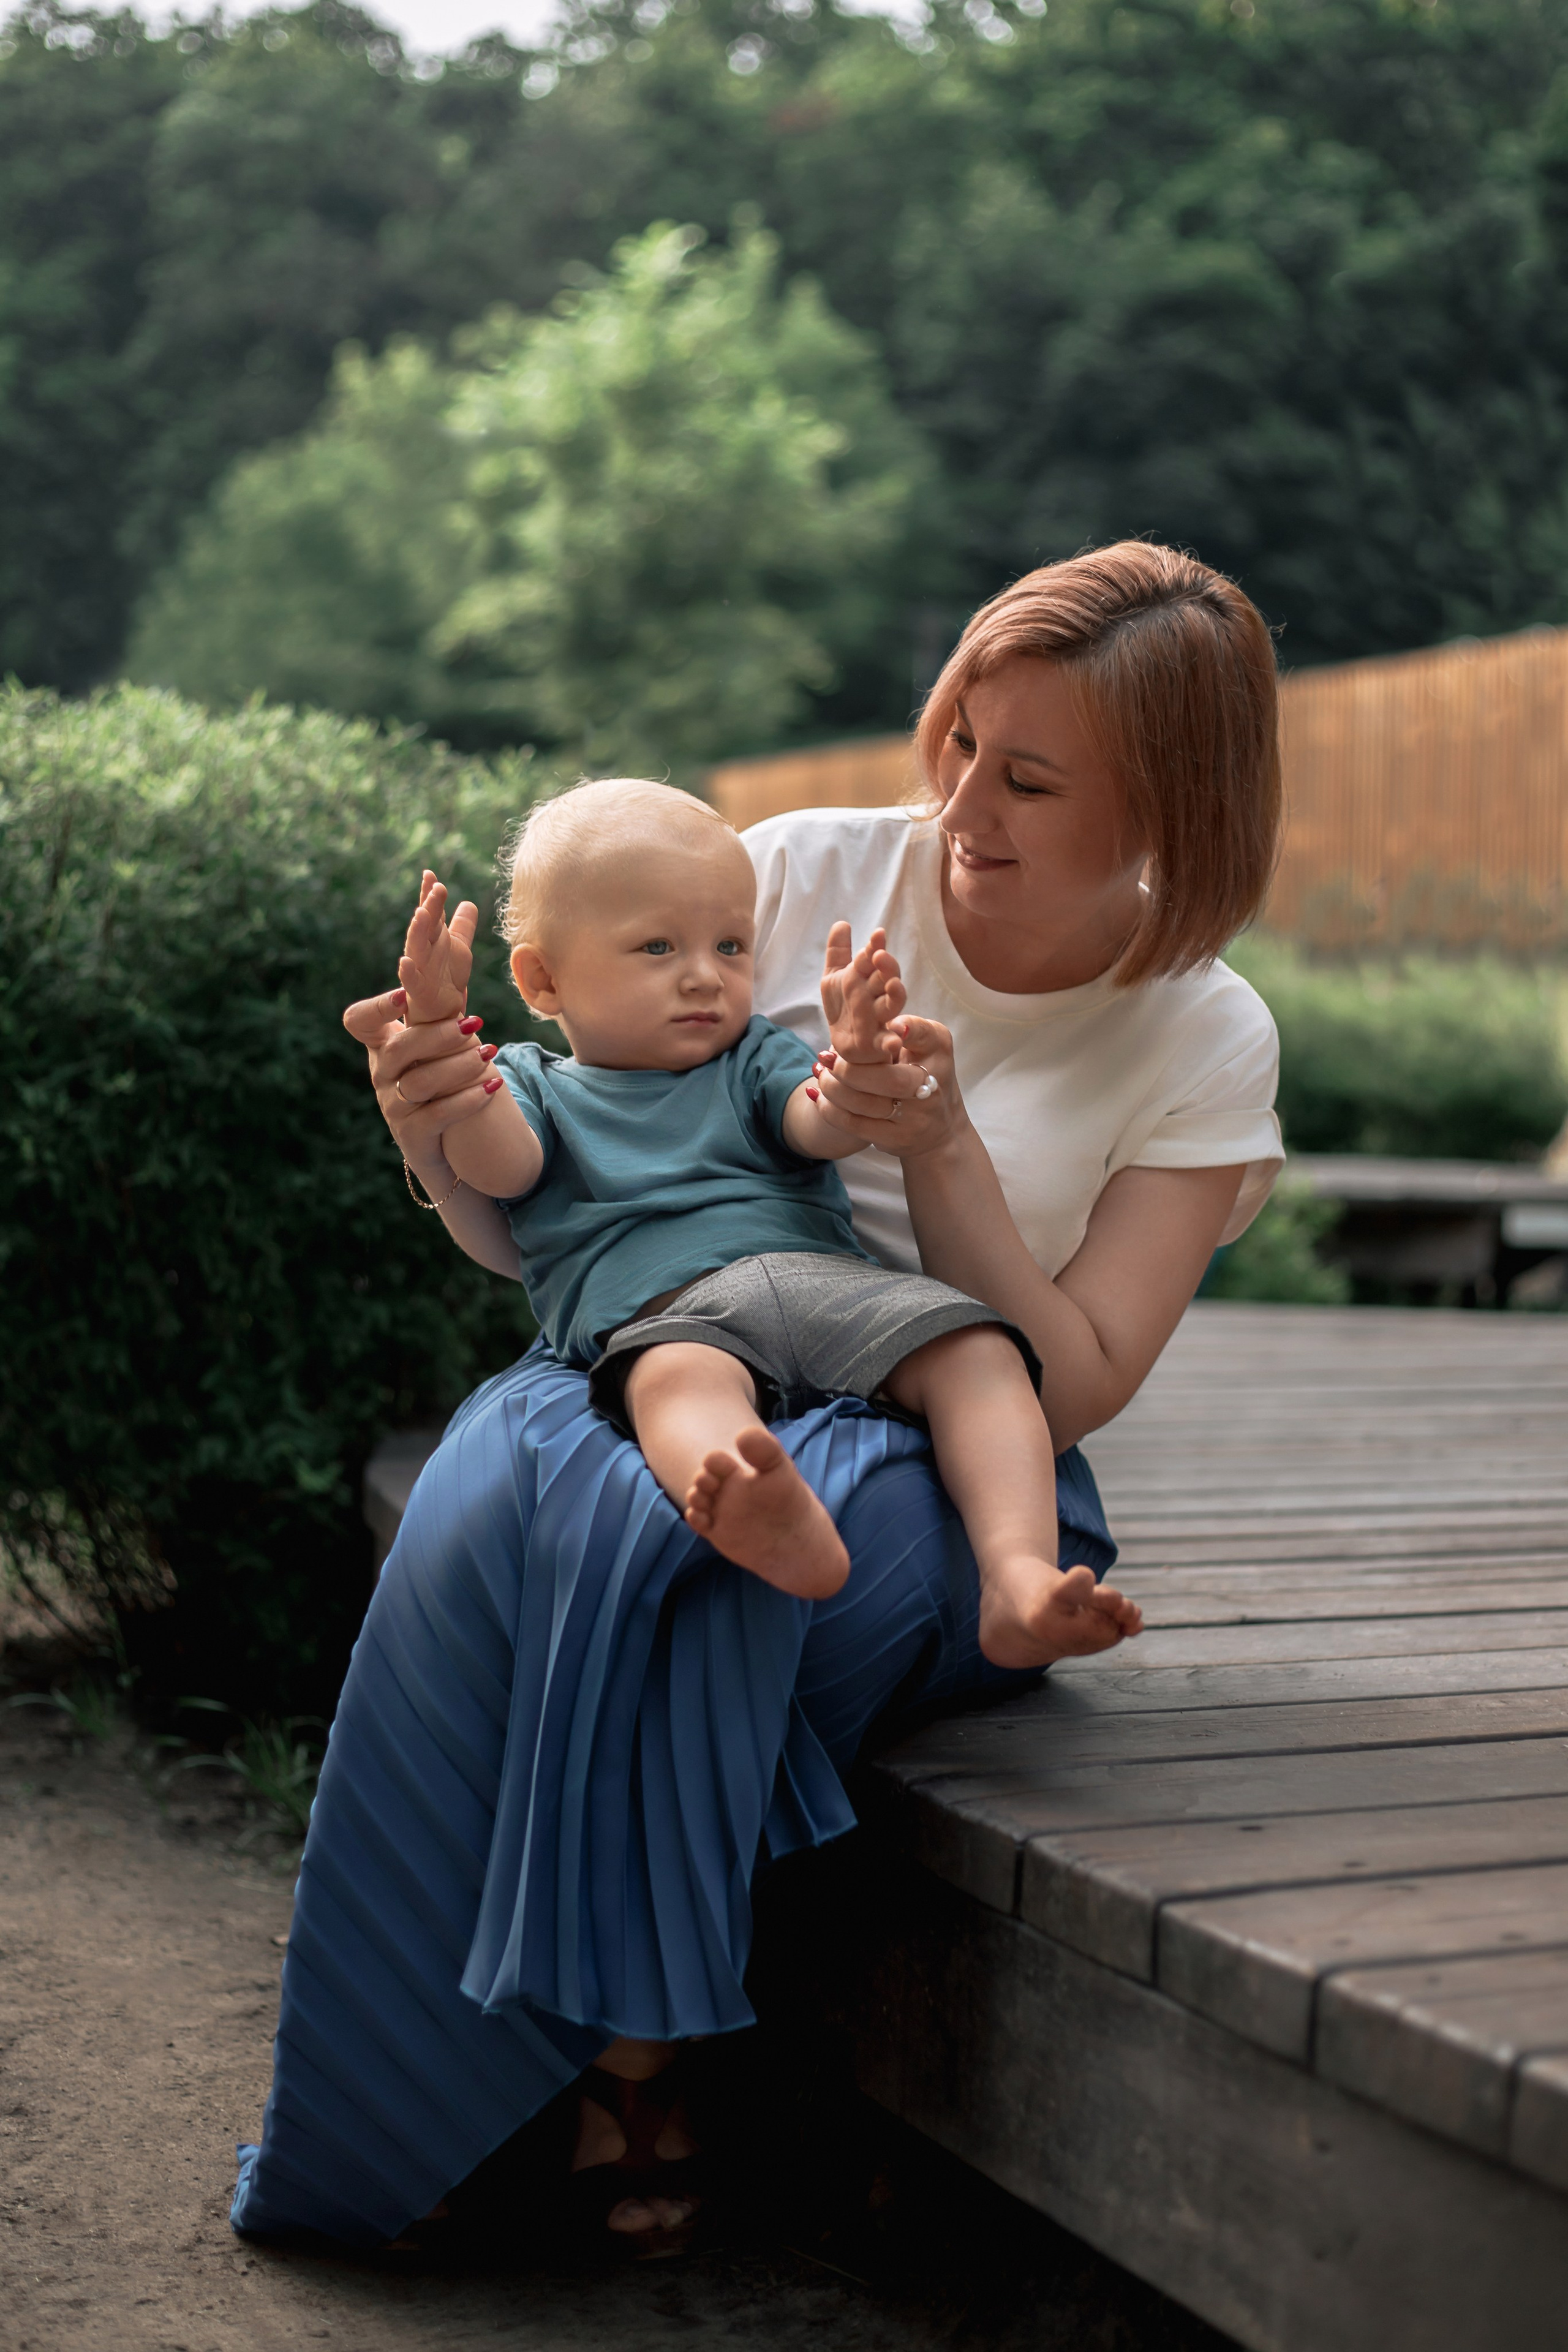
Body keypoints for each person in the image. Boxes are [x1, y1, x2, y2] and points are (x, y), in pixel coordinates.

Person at [231, 541, 1283, 2256]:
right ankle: (459, 2087)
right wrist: (431, 1117)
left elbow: (1070, 1378)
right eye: (957, 743)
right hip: (640, 1358)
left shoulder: (1202, 1033)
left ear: (1169, 805)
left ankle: (612, 2061)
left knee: (746, 1571)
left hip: (945, 1430)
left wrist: (934, 1141)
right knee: (506, 1525)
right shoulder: (790, 873)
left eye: (1027, 781)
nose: (963, 809)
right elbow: (552, 1214)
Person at [396, 778, 1144, 1666]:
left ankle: (1018, 1577)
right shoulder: (529, 1083)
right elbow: (502, 1167)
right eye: (658, 946)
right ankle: (760, 1504)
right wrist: (445, 1045)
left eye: (731, 945)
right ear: (543, 978)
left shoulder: (751, 1054)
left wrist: (857, 1065)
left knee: (979, 1349)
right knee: (674, 1388)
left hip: (822, 1282)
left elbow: (815, 1125)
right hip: (668, 1315)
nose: (705, 974)